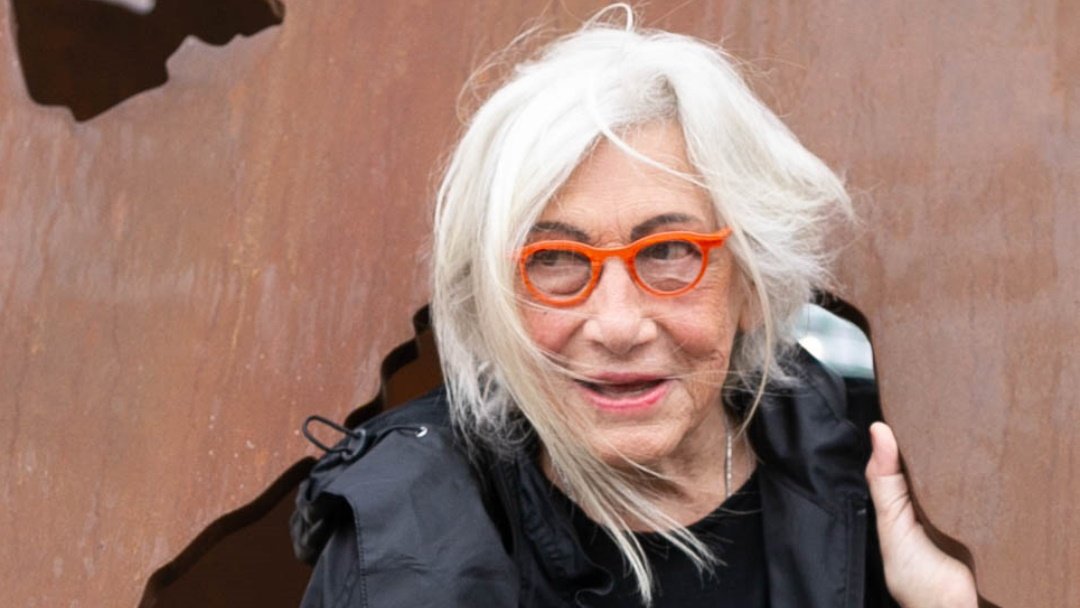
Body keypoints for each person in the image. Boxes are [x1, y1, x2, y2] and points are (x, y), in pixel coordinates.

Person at [291, 6, 978, 607]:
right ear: (495, 305)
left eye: (668, 252)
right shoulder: (395, 542)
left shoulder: (879, 494)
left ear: (751, 284)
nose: (618, 326)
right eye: (554, 261)